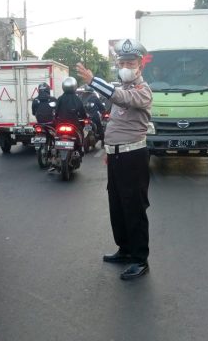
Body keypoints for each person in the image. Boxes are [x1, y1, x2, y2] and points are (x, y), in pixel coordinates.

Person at [76, 38, 153, 281]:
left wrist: (92, 81)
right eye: (122, 62)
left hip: (134, 157)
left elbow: (120, 98)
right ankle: (125, 249)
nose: (125, 66)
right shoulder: (122, 90)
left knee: (134, 207)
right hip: (117, 157)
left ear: (140, 65)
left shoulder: (142, 91)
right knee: (117, 205)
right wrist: (110, 151)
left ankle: (140, 259)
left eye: (130, 62)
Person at [54, 77, 88, 152]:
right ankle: (81, 148)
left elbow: (56, 112)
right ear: (74, 86)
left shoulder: (60, 98)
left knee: (56, 135)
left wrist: (56, 118)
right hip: (73, 123)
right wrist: (85, 118)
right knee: (81, 133)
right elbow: (82, 112)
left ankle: (55, 150)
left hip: (61, 123)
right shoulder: (77, 99)